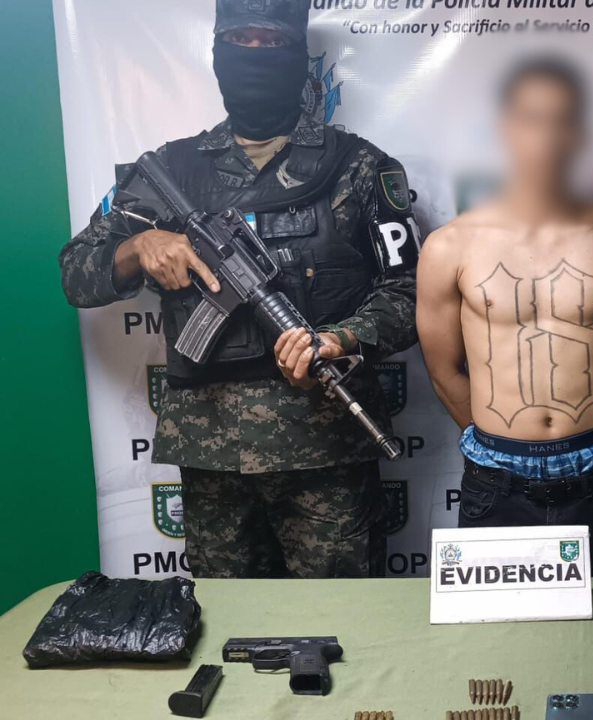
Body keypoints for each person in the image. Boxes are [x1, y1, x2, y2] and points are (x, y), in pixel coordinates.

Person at [58, 0, 421, 579]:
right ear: (217, 53)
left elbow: (409, 292)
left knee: (342, 619)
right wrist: (139, 246)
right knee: (228, 622)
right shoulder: (169, 171)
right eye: (239, 40)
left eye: (271, 42)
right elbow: (76, 272)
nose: (254, 54)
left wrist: (341, 338)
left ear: (298, 56)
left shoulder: (357, 166)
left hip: (326, 447)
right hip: (211, 456)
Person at [417, 57, 593, 577]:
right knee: (499, 629)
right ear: (504, 129)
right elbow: (444, 371)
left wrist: (586, 434)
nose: (546, 138)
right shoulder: (449, 247)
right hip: (496, 480)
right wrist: (502, 443)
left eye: (562, 121)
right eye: (531, 119)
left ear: (581, 134)